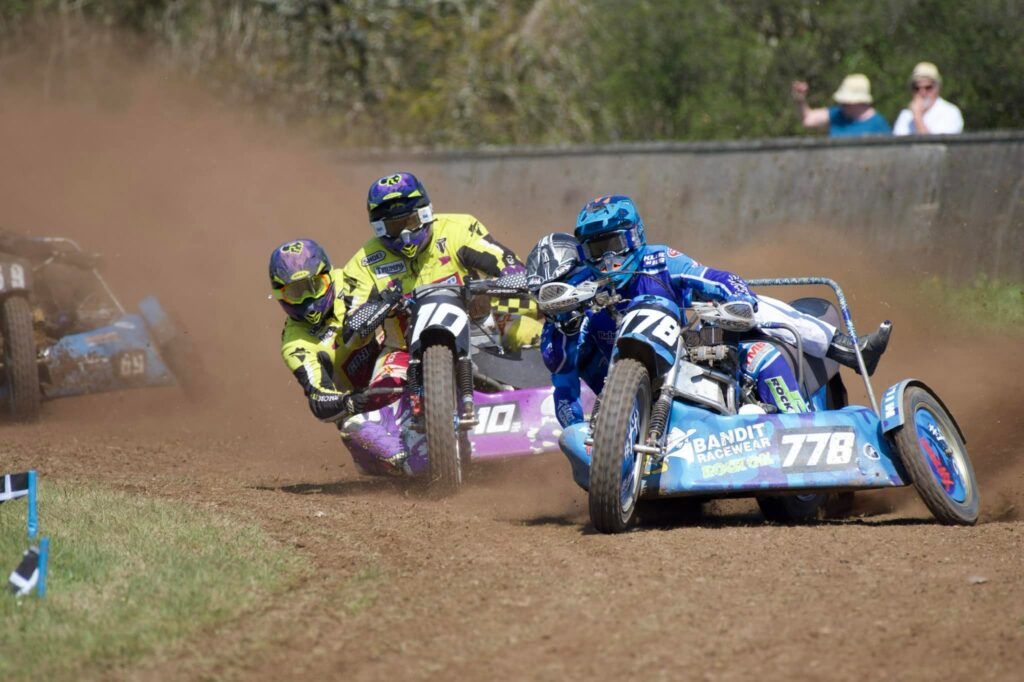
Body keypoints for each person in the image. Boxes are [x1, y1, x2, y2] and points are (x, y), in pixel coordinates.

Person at [528, 196, 892, 428]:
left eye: (614, 244)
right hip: (631, 400)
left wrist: (739, 298)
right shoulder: (583, 289)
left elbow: (712, 277)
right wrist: (581, 434)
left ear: (634, 237)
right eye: (596, 250)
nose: (608, 259)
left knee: (759, 337)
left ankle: (847, 351)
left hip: (692, 358)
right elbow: (564, 387)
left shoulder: (658, 260)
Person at [339, 172, 541, 414]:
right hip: (403, 349)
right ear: (379, 228)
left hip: (480, 326)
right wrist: (379, 306)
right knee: (374, 403)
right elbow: (351, 335)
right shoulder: (364, 262)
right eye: (395, 227)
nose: (405, 234)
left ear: (426, 213)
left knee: (537, 331)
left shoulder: (458, 228)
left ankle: (566, 400)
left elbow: (507, 261)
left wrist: (510, 274)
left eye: (411, 222)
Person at [272, 238, 379, 424]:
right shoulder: (294, 345)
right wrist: (348, 402)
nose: (308, 299)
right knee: (355, 428)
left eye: (315, 285)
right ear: (281, 296)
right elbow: (318, 399)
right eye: (295, 293)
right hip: (361, 410)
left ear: (328, 276)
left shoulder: (348, 278)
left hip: (390, 361)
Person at [791, 74, 891, 137]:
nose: (842, 105)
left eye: (847, 102)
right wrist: (800, 100)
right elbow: (808, 119)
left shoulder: (879, 125)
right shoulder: (837, 114)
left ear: (860, 101)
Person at [893, 62, 964, 136]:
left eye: (928, 87)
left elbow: (936, 143)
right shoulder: (905, 115)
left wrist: (917, 117)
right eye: (916, 88)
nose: (922, 93)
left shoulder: (950, 112)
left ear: (937, 88)